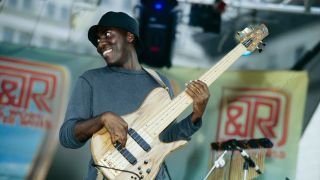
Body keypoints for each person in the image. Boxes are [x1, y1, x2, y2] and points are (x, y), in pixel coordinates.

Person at [59, 11, 210, 180]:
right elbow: (67, 137)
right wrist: (103, 119)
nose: (100, 43)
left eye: (107, 34)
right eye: (98, 39)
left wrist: (197, 113)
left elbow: (166, 139)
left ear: (129, 36)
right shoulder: (90, 80)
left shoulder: (160, 83)